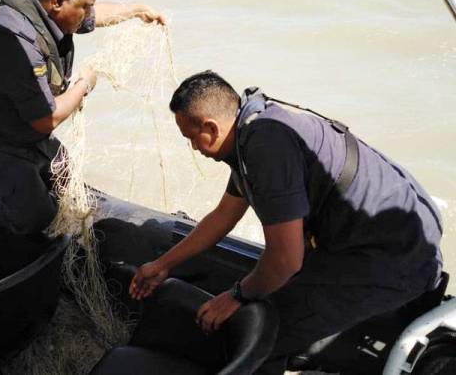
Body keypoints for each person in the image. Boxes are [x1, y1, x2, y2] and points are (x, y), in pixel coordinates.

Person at [129, 70, 443, 374]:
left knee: (264, 328)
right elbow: (224, 215)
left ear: (210, 127)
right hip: (378, 233)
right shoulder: (252, 128)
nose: (194, 148)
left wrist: (237, 296)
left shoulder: (265, 146)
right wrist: (163, 264)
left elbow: (285, 260)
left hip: (398, 253)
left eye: (191, 137)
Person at [0, 0, 165, 235]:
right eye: (84, 5)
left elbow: (95, 16)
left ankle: (11, 187)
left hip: (19, 126)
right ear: (58, 0)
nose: (88, 12)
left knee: (67, 178)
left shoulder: (46, 5)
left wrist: (136, 10)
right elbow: (46, 119)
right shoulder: (13, 40)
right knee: (37, 219)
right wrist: (84, 84)